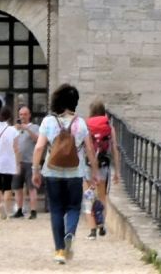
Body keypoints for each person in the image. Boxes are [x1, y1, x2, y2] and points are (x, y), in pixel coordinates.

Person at [32, 83, 98, 265]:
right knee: (74, 207)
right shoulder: (81, 123)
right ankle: (70, 233)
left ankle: (60, 251)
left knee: (56, 210)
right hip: (75, 173)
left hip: (52, 172)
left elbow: (39, 147)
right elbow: (90, 149)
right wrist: (94, 171)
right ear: (74, 102)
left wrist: (35, 170)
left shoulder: (48, 121)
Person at [84, 100, 113, 237]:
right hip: (103, 164)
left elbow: (88, 148)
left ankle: (92, 230)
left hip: (89, 165)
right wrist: (117, 171)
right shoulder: (109, 126)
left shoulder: (86, 126)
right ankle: (101, 224)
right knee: (102, 196)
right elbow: (115, 149)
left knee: (88, 197)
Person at [13, 103, 39, 220]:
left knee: (31, 187)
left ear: (29, 115)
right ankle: (19, 209)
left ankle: (33, 211)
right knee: (17, 187)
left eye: (25, 114)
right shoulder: (16, 129)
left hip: (30, 161)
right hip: (18, 162)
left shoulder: (35, 127)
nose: (22, 116)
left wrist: (27, 129)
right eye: (20, 114)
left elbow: (37, 140)